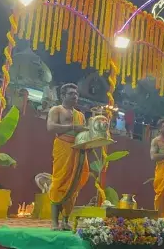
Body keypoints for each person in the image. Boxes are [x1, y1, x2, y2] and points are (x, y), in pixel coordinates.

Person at [47, 83, 90, 231]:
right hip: (63, 146)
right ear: (63, 95)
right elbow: (50, 127)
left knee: (74, 183)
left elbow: (83, 134)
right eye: (71, 93)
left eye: (76, 94)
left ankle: (65, 221)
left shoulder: (81, 115)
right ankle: (54, 222)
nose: (75, 96)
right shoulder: (56, 110)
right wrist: (72, 128)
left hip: (78, 150)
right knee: (59, 181)